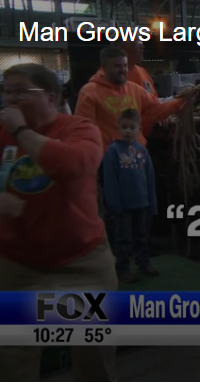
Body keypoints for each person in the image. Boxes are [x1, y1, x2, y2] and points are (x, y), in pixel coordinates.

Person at [0, 63, 117, 381]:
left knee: (93, 353)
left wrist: (22, 131)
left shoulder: (80, 130)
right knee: (13, 358)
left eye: (21, 91)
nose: (10, 99)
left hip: (82, 263)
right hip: (18, 266)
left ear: (50, 97)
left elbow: (72, 166)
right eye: (6, 91)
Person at [75, 46, 191, 149]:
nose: (123, 70)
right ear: (104, 68)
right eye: (117, 66)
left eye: (125, 66)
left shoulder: (134, 89)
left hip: (137, 155)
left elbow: (157, 109)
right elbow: (84, 131)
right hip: (109, 159)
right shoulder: (89, 92)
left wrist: (181, 100)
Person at [102, 108, 158, 283]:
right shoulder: (112, 151)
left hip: (142, 203)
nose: (127, 130)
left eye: (131, 127)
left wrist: (152, 203)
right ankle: (123, 268)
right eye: (124, 127)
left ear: (138, 129)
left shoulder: (142, 151)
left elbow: (150, 178)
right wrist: (114, 204)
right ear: (118, 128)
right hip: (123, 206)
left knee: (142, 235)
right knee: (123, 238)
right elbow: (109, 179)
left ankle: (144, 262)